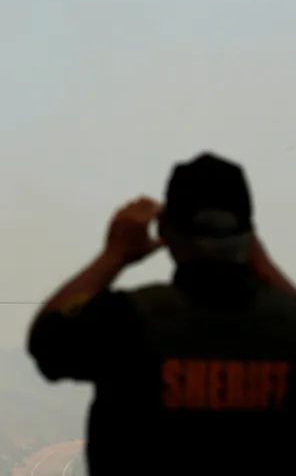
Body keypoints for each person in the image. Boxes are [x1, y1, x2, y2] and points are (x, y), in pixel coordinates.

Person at [27, 152, 296, 475]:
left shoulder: (128, 320)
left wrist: (114, 255)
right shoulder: (285, 326)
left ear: (165, 233)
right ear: (249, 235)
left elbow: (47, 339)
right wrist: (261, 262)